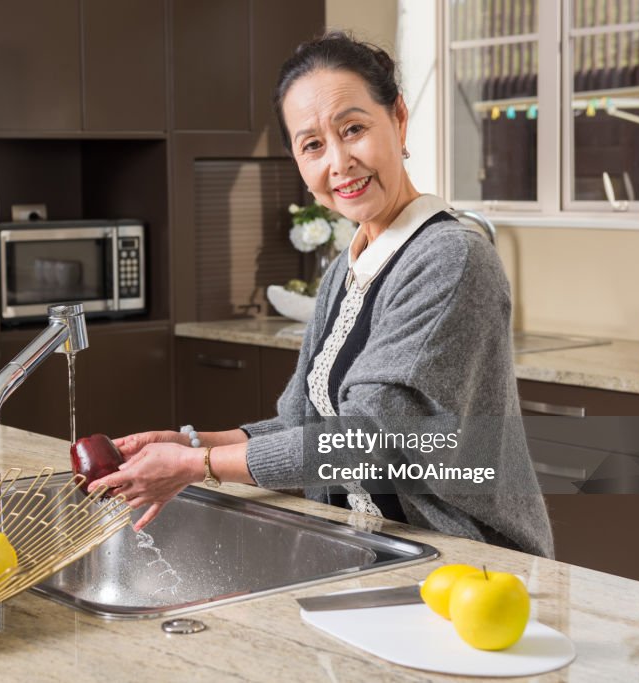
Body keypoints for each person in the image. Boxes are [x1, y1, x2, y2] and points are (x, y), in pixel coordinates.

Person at [91, 32, 553, 558]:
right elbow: (302, 427)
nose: (339, 162)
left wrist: (199, 466)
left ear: (398, 119)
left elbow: (366, 439)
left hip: (467, 562)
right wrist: (193, 443)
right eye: (312, 145)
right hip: (370, 549)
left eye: (353, 129)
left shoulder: (451, 257)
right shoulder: (346, 269)